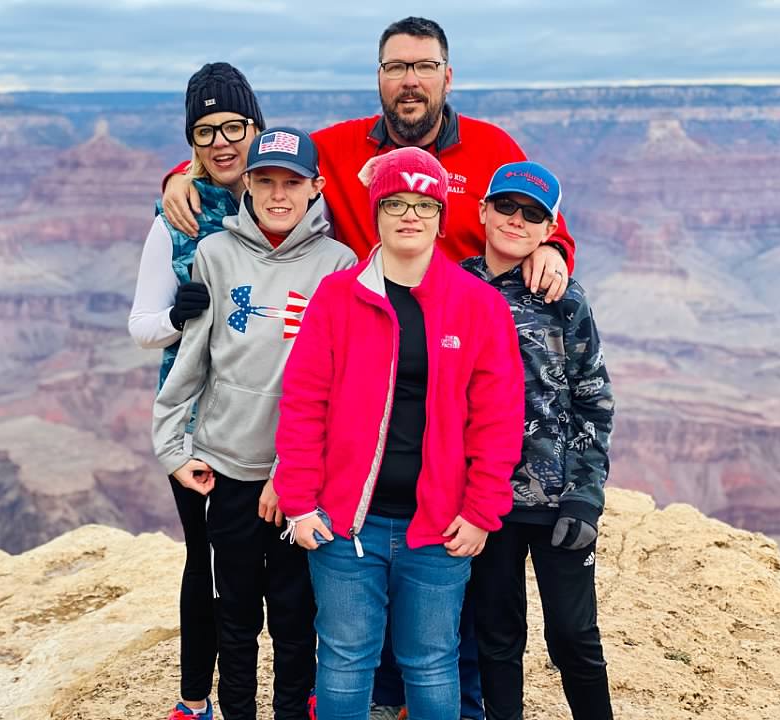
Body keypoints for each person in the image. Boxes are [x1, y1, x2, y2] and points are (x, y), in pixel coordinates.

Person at [273, 147, 525, 720]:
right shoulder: (337, 299)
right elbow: (304, 405)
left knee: (432, 663)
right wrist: (298, 503)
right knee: (343, 660)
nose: (409, 216)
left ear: (440, 215)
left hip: (437, 528)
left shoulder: (478, 306)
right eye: (394, 203)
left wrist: (484, 508)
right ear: (376, 211)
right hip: (343, 525)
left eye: (423, 204)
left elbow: (498, 418)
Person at [152, 125, 356, 720]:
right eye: (265, 180)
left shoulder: (337, 265)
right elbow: (191, 362)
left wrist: (292, 475)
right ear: (247, 182)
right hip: (229, 470)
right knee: (236, 617)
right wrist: (172, 449)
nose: (277, 195)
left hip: (298, 484)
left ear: (315, 187)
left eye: (292, 183)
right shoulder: (216, 254)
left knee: (295, 619)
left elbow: (339, 388)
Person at [161, 17, 575, 306]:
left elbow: (546, 219)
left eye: (425, 67)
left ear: (447, 78)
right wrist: (185, 173)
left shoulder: (492, 147)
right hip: (370, 336)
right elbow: (268, 161)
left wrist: (551, 251)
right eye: (396, 68)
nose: (410, 81)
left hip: (462, 339)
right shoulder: (338, 146)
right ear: (379, 78)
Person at [129, 61, 264, 720]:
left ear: (255, 126)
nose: (221, 141)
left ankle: (310, 690)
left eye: (233, 125)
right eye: (204, 131)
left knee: (287, 562)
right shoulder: (175, 215)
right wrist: (177, 318)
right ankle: (195, 699)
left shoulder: (288, 199)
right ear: (190, 143)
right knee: (207, 561)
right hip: (197, 425)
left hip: (277, 417)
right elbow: (140, 327)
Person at [462, 161, 615, 720]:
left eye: (532, 214)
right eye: (505, 206)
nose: (515, 220)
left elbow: (592, 401)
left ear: (550, 229)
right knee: (497, 638)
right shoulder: (451, 285)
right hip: (485, 502)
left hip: (557, 503)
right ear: (482, 210)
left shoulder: (565, 299)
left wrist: (585, 496)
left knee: (574, 635)